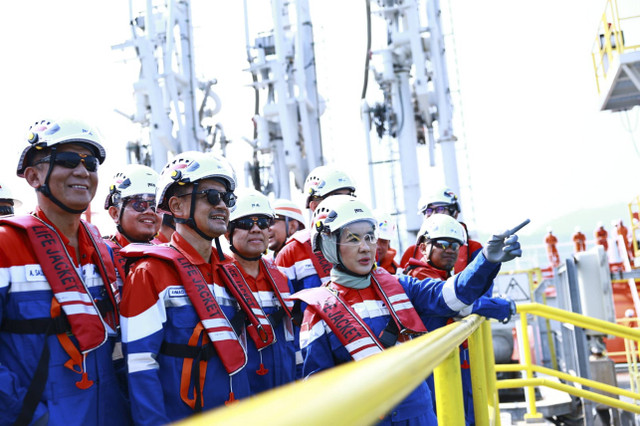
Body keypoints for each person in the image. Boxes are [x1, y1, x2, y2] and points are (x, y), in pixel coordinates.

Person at [290, 195, 524, 425]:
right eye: (353, 239)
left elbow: (452, 297)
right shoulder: (318, 311)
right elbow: (319, 391)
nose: (365, 247)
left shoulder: (400, 285)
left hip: (418, 412)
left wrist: (486, 260)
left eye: (370, 237)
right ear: (329, 245)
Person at [0, 118, 131, 425]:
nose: (83, 171)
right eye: (68, 160)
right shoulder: (6, 246)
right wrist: (30, 416)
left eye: (91, 163)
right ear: (33, 176)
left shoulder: (104, 252)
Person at [119, 151, 257, 425]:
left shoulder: (229, 272)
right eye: (211, 196)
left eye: (227, 199)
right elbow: (140, 366)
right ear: (177, 207)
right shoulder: (149, 273)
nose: (223, 206)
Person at [404, 213, 514, 425]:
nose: (450, 250)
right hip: (431, 370)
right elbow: (460, 301)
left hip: (449, 361)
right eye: (443, 243)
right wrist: (500, 306)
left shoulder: (441, 277)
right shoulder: (418, 278)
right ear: (424, 246)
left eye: (456, 246)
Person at [223, 190, 296, 393]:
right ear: (228, 232)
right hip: (241, 396)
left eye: (263, 223)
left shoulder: (281, 278)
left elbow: (293, 339)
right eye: (246, 223)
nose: (256, 229)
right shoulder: (218, 280)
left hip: (286, 391)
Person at [275, 165, 357, 292]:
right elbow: (285, 305)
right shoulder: (292, 252)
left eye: (349, 198)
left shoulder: (364, 244)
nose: (345, 204)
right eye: (336, 198)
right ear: (314, 206)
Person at [400, 187, 482, 273]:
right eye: (428, 210)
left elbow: (482, 282)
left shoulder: (474, 248)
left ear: (455, 213)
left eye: (440, 209)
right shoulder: (412, 252)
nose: (433, 214)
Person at [103, 163, 161, 280]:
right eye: (139, 204)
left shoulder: (165, 253)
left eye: (155, 206)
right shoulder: (101, 253)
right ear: (115, 213)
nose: (150, 212)